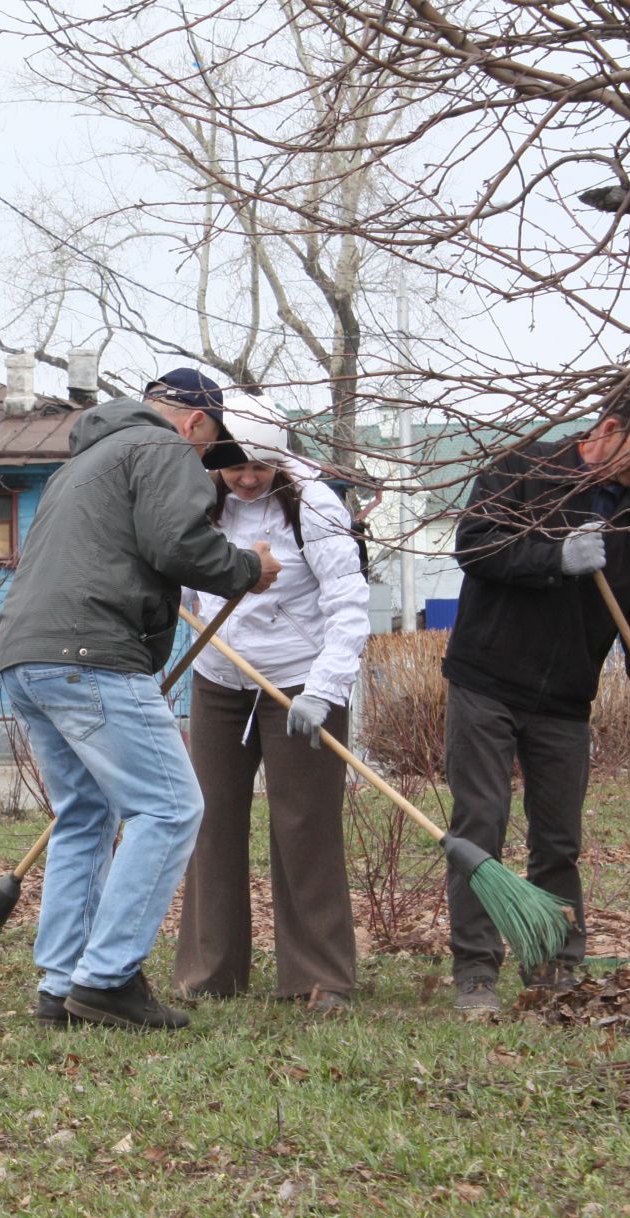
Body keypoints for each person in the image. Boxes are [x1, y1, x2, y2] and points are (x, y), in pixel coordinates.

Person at [0, 368, 281, 1031]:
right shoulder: (162, 448)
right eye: (213, 448)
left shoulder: (85, 462)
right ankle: (108, 978)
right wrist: (249, 568)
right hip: (91, 654)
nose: (208, 462)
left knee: (85, 816)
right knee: (171, 807)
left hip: (28, 657)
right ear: (195, 422)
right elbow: (176, 544)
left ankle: (60, 983)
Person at [444, 376, 630, 1015]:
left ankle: (556, 966)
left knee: (558, 841)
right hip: (487, 682)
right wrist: (553, 559)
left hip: (564, 699)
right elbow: (474, 548)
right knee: (481, 825)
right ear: (609, 429)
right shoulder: (523, 469)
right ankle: (476, 973)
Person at [175, 395, 372, 1011]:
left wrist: (325, 688)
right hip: (218, 679)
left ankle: (319, 978)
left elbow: (347, 600)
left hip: (299, 684)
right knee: (208, 822)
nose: (250, 477)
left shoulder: (314, 502)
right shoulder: (198, 500)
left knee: (304, 826)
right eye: (236, 465)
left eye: (261, 464)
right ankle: (212, 972)